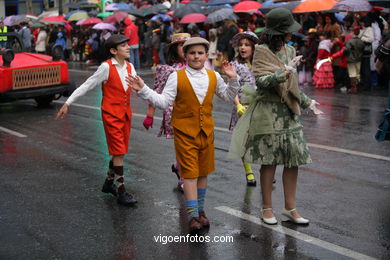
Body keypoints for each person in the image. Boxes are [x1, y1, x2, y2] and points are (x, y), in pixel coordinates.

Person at [127, 37, 240, 234]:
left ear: (206, 55)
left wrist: (233, 79)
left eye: (200, 53)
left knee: (203, 173)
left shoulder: (214, 76)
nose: (196, 56)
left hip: (207, 132)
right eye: (192, 53)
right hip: (184, 132)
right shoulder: (176, 76)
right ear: (185, 55)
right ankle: (193, 216)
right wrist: (144, 90)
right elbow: (163, 102)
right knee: (189, 174)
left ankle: (202, 210)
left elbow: (229, 97)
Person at [228, 8, 323, 226]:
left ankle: (291, 209)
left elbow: (293, 85)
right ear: (279, 31)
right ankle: (267, 209)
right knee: (268, 162)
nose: (292, 33)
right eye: (289, 29)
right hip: (267, 112)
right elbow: (261, 82)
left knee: (293, 160)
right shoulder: (260, 51)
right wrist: (284, 72)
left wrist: (309, 103)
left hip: (288, 113)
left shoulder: (290, 51)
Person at [55, 35, 138, 207]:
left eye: (127, 45)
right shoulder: (106, 68)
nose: (128, 48)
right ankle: (121, 190)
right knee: (119, 151)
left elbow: (141, 88)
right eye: (124, 46)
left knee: (119, 152)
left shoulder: (130, 67)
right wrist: (68, 103)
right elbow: (88, 85)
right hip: (111, 115)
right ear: (113, 51)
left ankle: (108, 183)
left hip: (125, 115)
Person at [142, 33, 191, 192]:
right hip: (174, 112)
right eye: (180, 46)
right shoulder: (168, 70)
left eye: (188, 46)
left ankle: (178, 166)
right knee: (182, 145)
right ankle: (184, 177)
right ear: (174, 49)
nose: (185, 49)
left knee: (191, 146)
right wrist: (150, 115)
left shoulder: (199, 68)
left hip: (194, 112)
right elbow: (156, 92)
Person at [229, 31, 259, 186]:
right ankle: (249, 172)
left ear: (254, 47)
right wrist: (238, 105)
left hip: (259, 107)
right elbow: (232, 88)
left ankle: (265, 170)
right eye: (241, 45)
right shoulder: (235, 65)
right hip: (242, 107)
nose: (243, 47)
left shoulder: (259, 64)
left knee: (260, 140)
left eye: (247, 45)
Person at [343, 26, 365, 94]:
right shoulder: (361, 41)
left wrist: (345, 54)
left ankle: (353, 88)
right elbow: (363, 49)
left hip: (351, 59)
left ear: (353, 32)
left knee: (352, 74)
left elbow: (346, 50)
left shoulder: (350, 41)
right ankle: (358, 87)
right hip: (359, 59)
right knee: (358, 73)